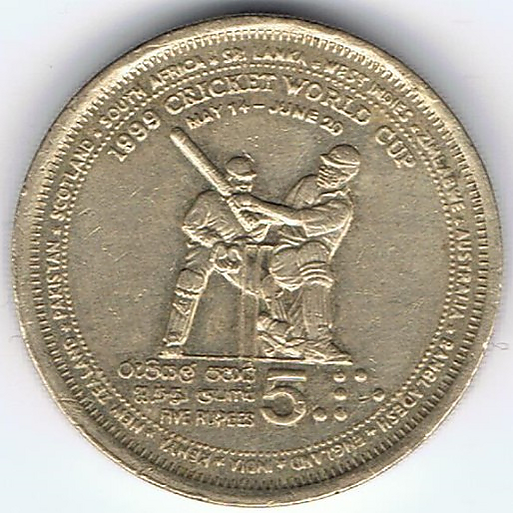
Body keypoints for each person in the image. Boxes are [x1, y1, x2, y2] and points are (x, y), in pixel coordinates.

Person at [235, 144, 360, 361]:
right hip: (285, 258)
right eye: (326, 165)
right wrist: (260, 220)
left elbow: (296, 218)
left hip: (308, 263)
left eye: (334, 169)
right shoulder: (308, 184)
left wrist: (255, 204)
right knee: (304, 256)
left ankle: (312, 339)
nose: (325, 171)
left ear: (346, 176)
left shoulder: (341, 208)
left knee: (312, 251)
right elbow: (283, 215)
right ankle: (298, 337)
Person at [159, 155, 269, 359]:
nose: (244, 186)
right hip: (206, 249)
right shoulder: (209, 200)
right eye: (240, 181)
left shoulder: (250, 205)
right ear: (228, 179)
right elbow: (190, 226)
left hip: (236, 252)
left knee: (264, 286)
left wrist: (257, 228)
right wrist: (215, 242)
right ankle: (173, 340)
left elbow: (257, 236)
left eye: (248, 181)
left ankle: (276, 338)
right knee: (190, 280)